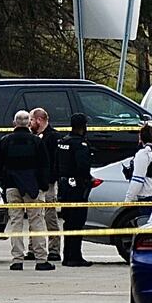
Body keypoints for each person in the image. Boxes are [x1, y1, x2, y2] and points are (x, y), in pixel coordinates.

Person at [0, 110, 55, 271]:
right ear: (28, 123)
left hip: (12, 186)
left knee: (16, 223)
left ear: (14, 123)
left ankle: (17, 259)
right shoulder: (36, 142)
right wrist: (43, 186)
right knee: (37, 222)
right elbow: (45, 166)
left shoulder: (5, 141)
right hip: (33, 187)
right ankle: (41, 260)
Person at [56, 114, 95, 267]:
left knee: (68, 222)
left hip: (64, 186)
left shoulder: (63, 142)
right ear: (83, 126)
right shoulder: (80, 144)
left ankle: (67, 256)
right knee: (77, 222)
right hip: (77, 187)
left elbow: (56, 164)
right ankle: (75, 257)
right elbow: (83, 167)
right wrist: (88, 180)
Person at [30, 108, 64, 262]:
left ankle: (54, 249)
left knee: (50, 217)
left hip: (49, 183)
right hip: (35, 183)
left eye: (31, 120)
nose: (30, 123)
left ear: (39, 120)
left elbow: (56, 162)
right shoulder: (33, 137)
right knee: (34, 217)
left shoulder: (54, 137)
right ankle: (33, 248)